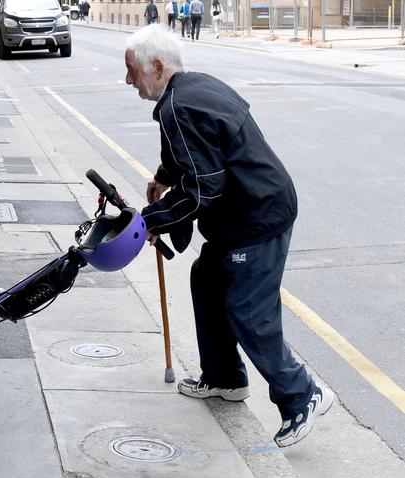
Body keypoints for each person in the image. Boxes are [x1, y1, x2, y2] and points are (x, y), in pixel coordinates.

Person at [123, 24, 334, 448]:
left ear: (157, 67)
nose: (129, 80)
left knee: (247, 309)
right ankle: (225, 378)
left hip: (255, 215)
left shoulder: (177, 106)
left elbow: (204, 188)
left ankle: (301, 394)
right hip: (248, 209)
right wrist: (164, 177)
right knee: (207, 280)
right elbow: (203, 144)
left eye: (132, 71)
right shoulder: (192, 88)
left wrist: (152, 219)